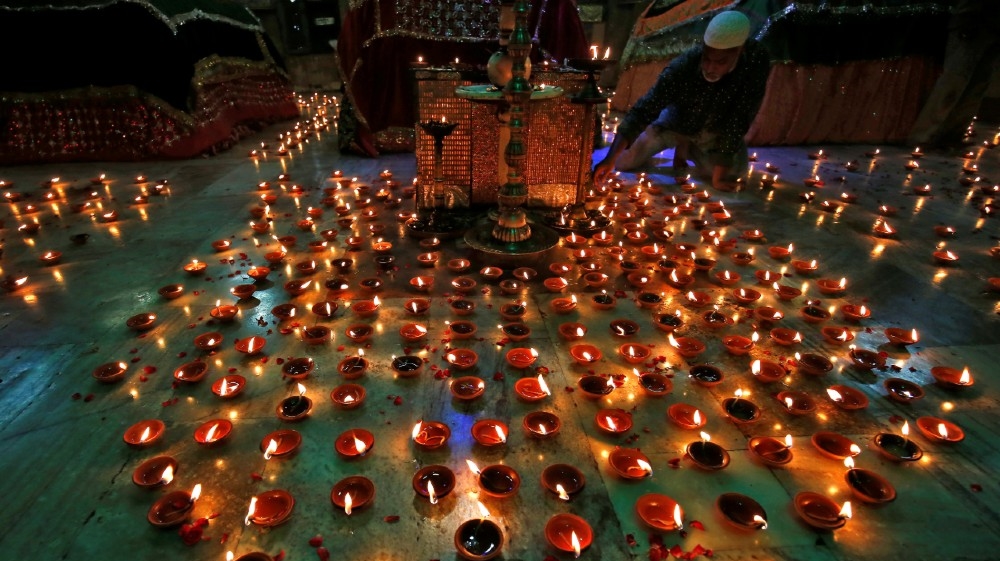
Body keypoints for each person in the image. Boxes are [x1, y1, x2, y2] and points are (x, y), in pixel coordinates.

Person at [593, 10, 769, 190]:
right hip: (675, 124)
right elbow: (644, 109)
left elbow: (739, 118)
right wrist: (609, 159)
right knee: (622, 161)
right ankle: (682, 142)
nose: (709, 68)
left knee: (733, 175)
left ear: (739, 51)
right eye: (707, 59)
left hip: (716, 131)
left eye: (720, 62)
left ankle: (690, 149)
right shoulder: (685, 65)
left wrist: (720, 175)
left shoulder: (754, 63)